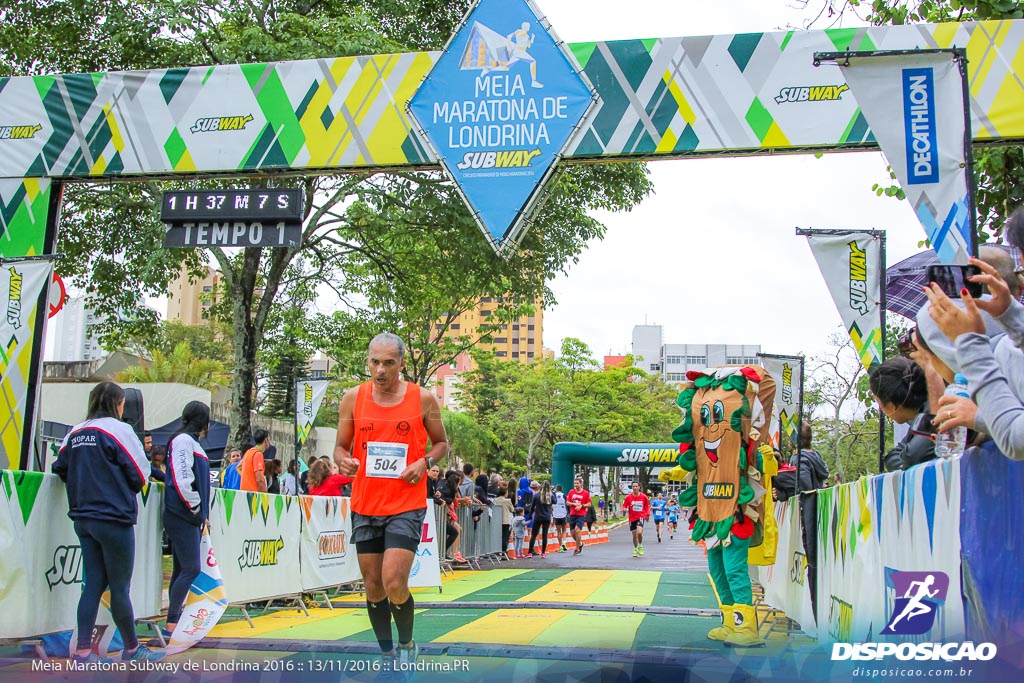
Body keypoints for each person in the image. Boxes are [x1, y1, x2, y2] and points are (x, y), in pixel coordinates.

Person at [335, 333, 449, 668]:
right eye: (374, 362)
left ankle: (407, 644)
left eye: (388, 362)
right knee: (373, 586)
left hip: (405, 503)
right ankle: (387, 655)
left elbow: (442, 443)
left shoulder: (423, 399)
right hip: (365, 505)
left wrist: (424, 462)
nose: (380, 369)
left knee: (394, 581)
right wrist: (344, 460)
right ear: (367, 362)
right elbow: (340, 447)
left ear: (401, 363)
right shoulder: (353, 398)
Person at [51, 382, 164, 663]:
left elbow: (59, 467)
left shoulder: (74, 432)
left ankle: (82, 652)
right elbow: (140, 473)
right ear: (118, 403)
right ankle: (132, 648)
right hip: (114, 518)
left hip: (83, 518)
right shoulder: (121, 430)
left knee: (92, 584)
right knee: (119, 587)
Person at [163, 401, 212, 642]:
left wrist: (203, 513)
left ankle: (173, 620)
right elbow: (184, 479)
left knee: (182, 568)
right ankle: (172, 622)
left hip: (189, 514)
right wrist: (195, 508)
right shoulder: (183, 441)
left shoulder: (192, 443)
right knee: (191, 568)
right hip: (182, 513)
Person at [869, 357, 935, 471]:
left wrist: (905, 463)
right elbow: (892, 457)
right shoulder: (917, 420)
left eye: (878, 402)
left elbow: (911, 456)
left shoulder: (934, 414)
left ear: (890, 406)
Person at [437, 470, 465, 563]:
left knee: (455, 530)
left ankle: (443, 553)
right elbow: (442, 498)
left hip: (443, 516)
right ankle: (443, 553)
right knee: (454, 531)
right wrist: (449, 502)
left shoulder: (443, 485)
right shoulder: (446, 488)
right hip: (440, 516)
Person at [621, 482, 649, 558]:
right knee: (634, 535)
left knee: (639, 532)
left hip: (641, 516)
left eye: (636, 486)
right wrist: (624, 509)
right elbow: (624, 506)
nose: (635, 488)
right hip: (632, 517)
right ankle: (635, 548)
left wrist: (647, 514)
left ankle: (640, 546)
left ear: (639, 487)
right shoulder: (628, 497)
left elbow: (647, 506)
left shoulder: (644, 497)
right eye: (633, 486)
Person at [565, 477, 591, 556]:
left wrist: (582, 506)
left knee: (577, 530)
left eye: (577, 483)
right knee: (572, 533)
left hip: (581, 514)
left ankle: (577, 548)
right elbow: (567, 502)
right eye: (575, 483)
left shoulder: (585, 493)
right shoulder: (571, 492)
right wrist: (573, 504)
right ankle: (580, 543)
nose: (576, 485)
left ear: (581, 484)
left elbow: (589, 504)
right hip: (573, 514)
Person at [527, 481, 553, 558]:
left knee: (534, 535)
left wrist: (530, 516)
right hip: (547, 517)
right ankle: (543, 553)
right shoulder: (550, 495)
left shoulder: (537, 495)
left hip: (538, 516)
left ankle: (529, 552)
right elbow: (555, 501)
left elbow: (532, 506)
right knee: (545, 535)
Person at [493, 486, 515, 559]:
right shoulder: (507, 501)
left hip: (496, 521)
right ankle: (503, 552)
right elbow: (512, 509)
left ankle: (496, 552)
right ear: (505, 493)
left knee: (497, 537)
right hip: (505, 521)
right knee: (505, 538)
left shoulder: (495, 500)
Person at [552, 485, 568, 552]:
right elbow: (567, 503)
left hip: (556, 515)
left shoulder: (553, 495)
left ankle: (560, 546)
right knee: (564, 530)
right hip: (563, 514)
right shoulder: (564, 495)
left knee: (558, 531)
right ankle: (564, 544)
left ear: (556, 489)